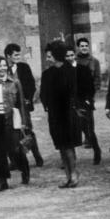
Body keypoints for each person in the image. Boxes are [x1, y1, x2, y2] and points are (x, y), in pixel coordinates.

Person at [0, 56, 32, 191]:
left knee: (14, 149)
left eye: (4, 65)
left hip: (12, 119)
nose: (2, 68)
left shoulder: (15, 83)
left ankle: (24, 169)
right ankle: (2, 180)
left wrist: (23, 122)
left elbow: (21, 104)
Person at [40, 40, 81, 187]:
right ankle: (68, 176)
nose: (47, 58)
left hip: (67, 113)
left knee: (68, 145)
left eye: (49, 55)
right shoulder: (47, 74)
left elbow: (74, 92)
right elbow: (43, 94)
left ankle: (74, 174)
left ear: (57, 55)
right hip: (55, 115)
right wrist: (47, 105)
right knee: (61, 146)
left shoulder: (71, 71)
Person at [5, 43, 43, 167]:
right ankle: (14, 161)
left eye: (19, 54)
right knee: (10, 133)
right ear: (8, 56)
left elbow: (31, 85)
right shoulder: (3, 69)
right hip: (9, 107)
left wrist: (27, 99)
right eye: (15, 55)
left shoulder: (24, 67)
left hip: (22, 105)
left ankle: (37, 156)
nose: (18, 57)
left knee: (27, 130)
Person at [73, 38, 102, 164]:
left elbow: (97, 79)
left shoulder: (94, 61)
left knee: (89, 127)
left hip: (88, 98)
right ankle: (70, 158)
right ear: (78, 47)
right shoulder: (74, 61)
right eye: (81, 46)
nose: (84, 48)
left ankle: (97, 151)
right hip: (76, 98)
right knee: (73, 127)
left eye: (86, 45)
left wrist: (91, 96)